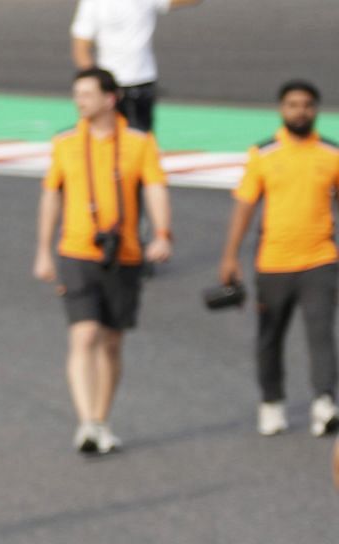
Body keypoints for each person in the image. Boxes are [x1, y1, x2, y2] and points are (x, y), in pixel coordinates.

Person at [34, 68, 173, 455]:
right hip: (76, 252)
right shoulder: (64, 144)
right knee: (84, 334)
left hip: (124, 254)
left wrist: (162, 233)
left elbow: (156, 189)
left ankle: (101, 418)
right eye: (76, 94)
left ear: (109, 99)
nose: (79, 102)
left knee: (112, 342)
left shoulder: (139, 143)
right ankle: (86, 423)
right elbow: (51, 196)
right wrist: (43, 249)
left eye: (87, 94)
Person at [219, 80, 339, 437]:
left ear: (316, 110)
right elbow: (245, 206)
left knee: (321, 333)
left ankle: (324, 401)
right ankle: (271, 401)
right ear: (281, 110)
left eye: (306, 105)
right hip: (273, 264)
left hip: (320, 259)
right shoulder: (264, 154)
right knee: (270, 336)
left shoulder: (331, 154)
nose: (299, 111)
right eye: (292, 105)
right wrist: (230, 256)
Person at [71, 0, 203, 135]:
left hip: (143, 82)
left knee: (140, 141)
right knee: (104, 137)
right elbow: (81, 48)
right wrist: (97, 86)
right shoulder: (94, 3)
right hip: (111, 86)